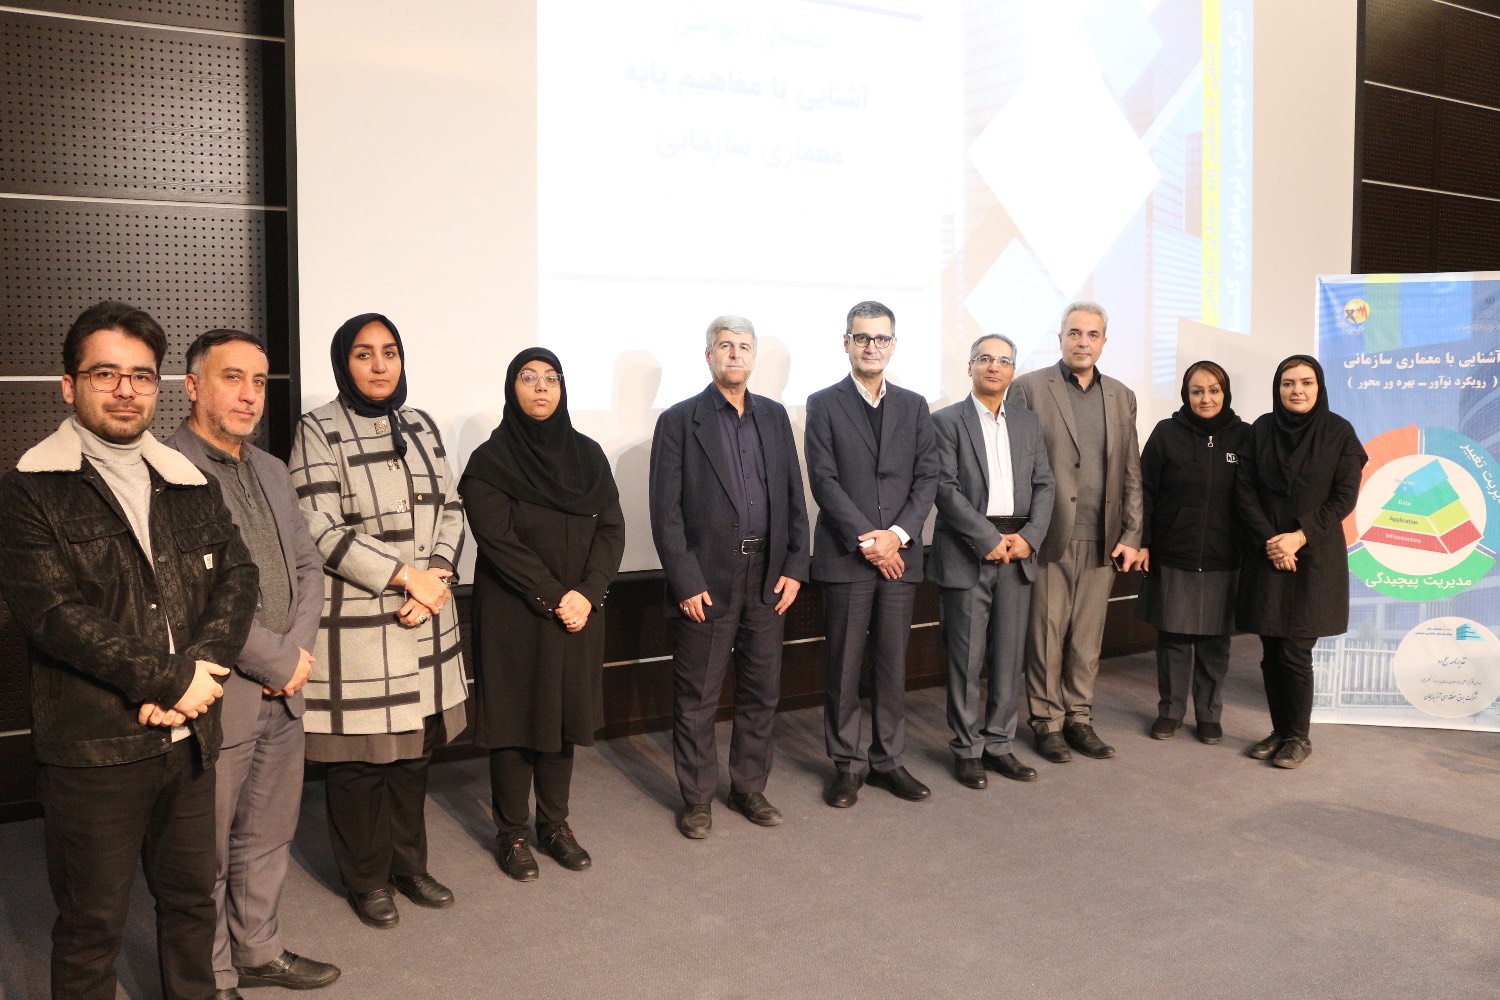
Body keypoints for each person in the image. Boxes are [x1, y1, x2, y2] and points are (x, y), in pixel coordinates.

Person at [0, 301, 256, 1000]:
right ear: (69, 385)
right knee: (92, 928)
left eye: (141, 376)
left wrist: (198, 676)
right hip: (95, 752)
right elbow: (55, 615)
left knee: (192, 906)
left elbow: (239, 577)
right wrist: (171, 680)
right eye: (104, 373)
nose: (125, 390)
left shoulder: (188, 480)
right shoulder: (29, 489)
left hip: (190, 739)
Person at [168, 330, 340, 997]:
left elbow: (307, 566)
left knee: (268, 834)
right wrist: (276, 659)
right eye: (232, 377)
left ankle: (259, 951)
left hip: (285, 686)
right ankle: (212, 974)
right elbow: (194, 595)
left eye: (259, 382)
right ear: (192, 386)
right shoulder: (168, 469)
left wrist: (296, 652)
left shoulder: (270, 468)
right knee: (207, 848)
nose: (249, 395)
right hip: (221, 692)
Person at [288, 313, 468, 928]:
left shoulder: (420, 424)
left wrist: (437, 575)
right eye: (364, 354)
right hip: (361, 622)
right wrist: (405, 577)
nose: (379, 364)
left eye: (389, 352)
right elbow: (316, 525)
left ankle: (409, 867)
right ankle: (366, 879)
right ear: (344, 363)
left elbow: (452, 506)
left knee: (413, 757)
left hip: (426, 614)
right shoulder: (317, 429)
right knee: (360, 764)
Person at [459, 347, 625, 879]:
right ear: (512, 388)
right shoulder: (491, 461)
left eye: (551, 379)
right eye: (528, 378)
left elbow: (611, 528)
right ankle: (511, 833)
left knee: (563, 716)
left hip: (579, 611)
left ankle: (555, 825)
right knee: (515, 720)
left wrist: (588, 593)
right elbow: (498, 541)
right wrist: (556, 596)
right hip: (515, 613)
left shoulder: (588, 455)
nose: (540, 388)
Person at [649, 315, 810, 838]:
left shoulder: (774, 417)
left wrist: (795, 566)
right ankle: (697, 798)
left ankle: (748, 788)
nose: (735, 354)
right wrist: (686, 580)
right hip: (707, 579)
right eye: (725, 345)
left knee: (762, 690)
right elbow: (666, 514)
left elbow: (794, 497)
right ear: (709, 356)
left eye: (744, 346)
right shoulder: (679, 421)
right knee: (698, 697)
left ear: (754, 357)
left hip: (768, 577)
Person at [805, 300, 939, 807]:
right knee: (843, 666)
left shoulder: (914, 405)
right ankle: (847, 764)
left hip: (900, 557)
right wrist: (870, 540)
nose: (871, 347)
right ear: (846, 343)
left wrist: (897, 536)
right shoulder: (823, 403)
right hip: (847, 557)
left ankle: (888, 761)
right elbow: (823, 480)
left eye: (881, 338)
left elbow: (927, 477)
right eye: (862, 337)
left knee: (891, 664)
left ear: (893, 345)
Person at [1009, 301, 1143, 764]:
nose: (1083, 342)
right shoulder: (1029, 388)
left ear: (1104, 341)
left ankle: (1079, 718)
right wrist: (1026, 531)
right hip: (1048, 535)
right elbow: (1018, 467)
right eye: (1074, 333)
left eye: (1092, 334)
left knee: (1087, 638)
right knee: (1046, 635)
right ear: (1061, 338)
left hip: (1104, 537)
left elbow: (1131, 469)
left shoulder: (1122, 395)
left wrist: (1133, 532)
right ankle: (1046, 723)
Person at [930, 334, 1055, 789]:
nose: (994, 367)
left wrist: (1030, 538)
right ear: (970, 367)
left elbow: (1045, 484)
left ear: (1013, 371)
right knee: (966, 660)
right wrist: (986, 538)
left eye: (1003, 361)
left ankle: (999, 744)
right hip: (968, 552)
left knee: (1008, 658)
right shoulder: (945, 421)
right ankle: (967, 749)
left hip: (1017, 552)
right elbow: (944, 487)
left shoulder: (1027, 421)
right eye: (985, 359)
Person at [1235, 355, 1366, 768]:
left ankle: (1298, 738)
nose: (1297, 390)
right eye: (1288, 383)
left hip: (1315, 556)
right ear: (1278, 388)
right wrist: (1273, 541)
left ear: (1319, 387)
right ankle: (1279, 731)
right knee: (1271, 649)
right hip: (1268, 553)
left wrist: (1298, 536)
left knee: (1294, 650)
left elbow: (1343, 497)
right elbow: (1244, 491)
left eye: (1306, 382)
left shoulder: (1339, 433)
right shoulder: (1261, 430)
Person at [1137, 360, 1250, 746]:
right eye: (1197, 391)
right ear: (1186, 395)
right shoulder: (1166, 433)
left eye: (1214, 390)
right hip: (1173, 553)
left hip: (1225, 555)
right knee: (1173, 637)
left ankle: (1209, 715)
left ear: (1225, 393)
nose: (1206, 398)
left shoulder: (1245, 437)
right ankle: (1170, 711)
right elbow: (1144, 491)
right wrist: (1144, 541)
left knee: (1215, 642)